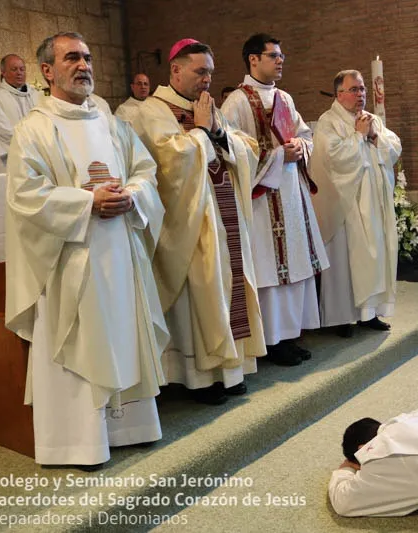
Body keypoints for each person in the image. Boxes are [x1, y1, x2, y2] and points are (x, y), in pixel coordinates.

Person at [5, 32, 169, 468]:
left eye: (88, 58)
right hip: (69, 261)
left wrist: (132, 195)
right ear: (47, 71)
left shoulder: (112, 124)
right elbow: (25, 195)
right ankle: (79, 443)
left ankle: (130, 428)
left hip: (120, 254)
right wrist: (86, 202)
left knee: (122, 330)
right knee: (78, 337)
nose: (84, 66)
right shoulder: (34, 129)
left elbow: (145, 171)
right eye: (72, 58)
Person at [131, 39, 266, 405]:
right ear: (175, 70)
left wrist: (217, 132)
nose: (207, 79)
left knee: (229, 285)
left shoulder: (206, 107)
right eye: (200, 71)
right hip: (188, 221)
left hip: (224, 215)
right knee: (200, 293)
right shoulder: (150, 111)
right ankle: (200, 378)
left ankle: (231, 370)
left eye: (210, 72)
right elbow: (167, 162)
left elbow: (246, 146)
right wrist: (202, 132)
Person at [221, 33, 328, 366]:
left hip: (291, 195)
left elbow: (305, 134)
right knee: (270, 270)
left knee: (294, 267)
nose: (280, 61)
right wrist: (279, 155)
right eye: (273, 55)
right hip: (262, 200)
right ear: (253, 59)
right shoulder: (236, 102)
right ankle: (272, 340)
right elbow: (232, 154)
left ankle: (291, 334)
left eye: (282, 56)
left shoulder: (284, 97)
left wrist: (300, 146)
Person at [310, 70, 401, 338]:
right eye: (354, 89)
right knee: (345, 261)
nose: (360, 94)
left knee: (374, 257)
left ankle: (369, 313)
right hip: (345, 204)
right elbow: (331, 157)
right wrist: (358, 137)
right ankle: (342, 318)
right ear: (339, 94)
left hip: (372, 202)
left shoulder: (371, 119)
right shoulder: (328, 121)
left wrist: (374, 136)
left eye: (362, 89)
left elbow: (394, 147)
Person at [0, 54, 42, 173]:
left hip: (39, 157)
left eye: (22, 69)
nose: (19, 73)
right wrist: (31, 144)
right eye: (14, 69)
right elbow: (2, 131)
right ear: (3, 72)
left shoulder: (36, 95)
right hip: (11, 159)